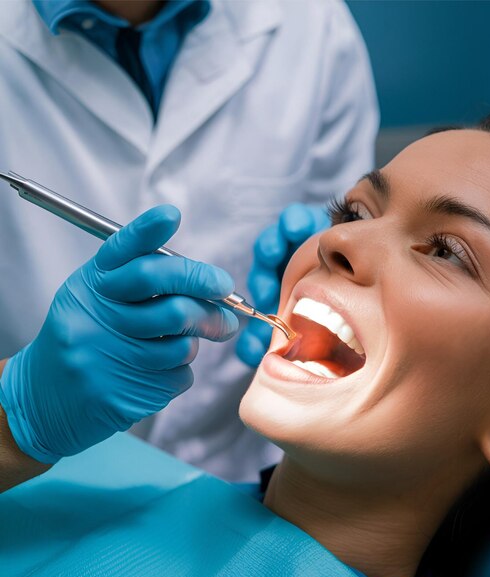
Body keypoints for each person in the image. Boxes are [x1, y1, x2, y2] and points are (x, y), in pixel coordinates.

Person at [1, 114, 490, 577]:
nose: (336, 243)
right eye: (354, 213)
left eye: (447, 252)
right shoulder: (102, 480)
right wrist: (16, 415)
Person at [0, 0, 378, 481]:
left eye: (447, 253)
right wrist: (20, 410)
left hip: (234, 470)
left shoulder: (313, 25)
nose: (347, 252)